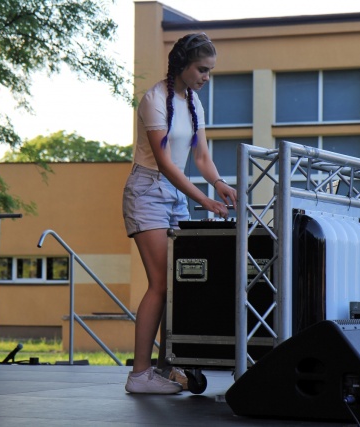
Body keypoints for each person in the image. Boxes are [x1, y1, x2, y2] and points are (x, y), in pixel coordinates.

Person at [122, 33, 238, 394]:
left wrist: (218, 183)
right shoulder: (154, 100)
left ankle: (164, 367)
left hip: (174, 194)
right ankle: (139, 375)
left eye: (210, 70)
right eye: (202, 69)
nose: (207, 77)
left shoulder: (194, 103)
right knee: (160, 283)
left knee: (178, 287)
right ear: (182, 65)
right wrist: (205, 200)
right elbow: (165, 163)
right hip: (147, 191)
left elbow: (200, 157)